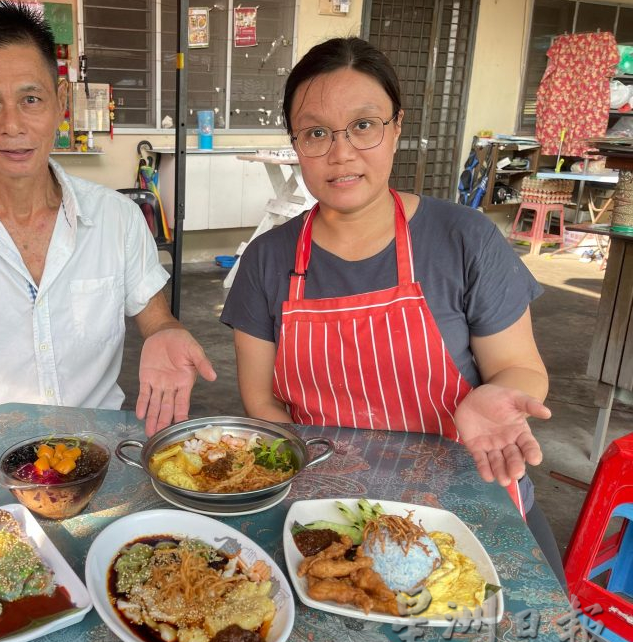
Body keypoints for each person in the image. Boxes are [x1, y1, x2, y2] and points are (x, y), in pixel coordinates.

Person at [220, 37, 565, 583]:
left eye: (364, 125)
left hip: (467, 502)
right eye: (316, 133)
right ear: (296, 144)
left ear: (396, 127)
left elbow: (519, 369)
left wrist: (494, 395)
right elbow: (262, 401)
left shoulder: (464, 239)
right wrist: (319, 495)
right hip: (325, 514)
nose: (342, 152)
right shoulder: (267, 258)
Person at [0, 0, 215, 444]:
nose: (12, 125)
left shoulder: (117, 219)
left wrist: (168, 333)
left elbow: (157, 318)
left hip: (102, 456)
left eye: (31, 99)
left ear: (59, 102)